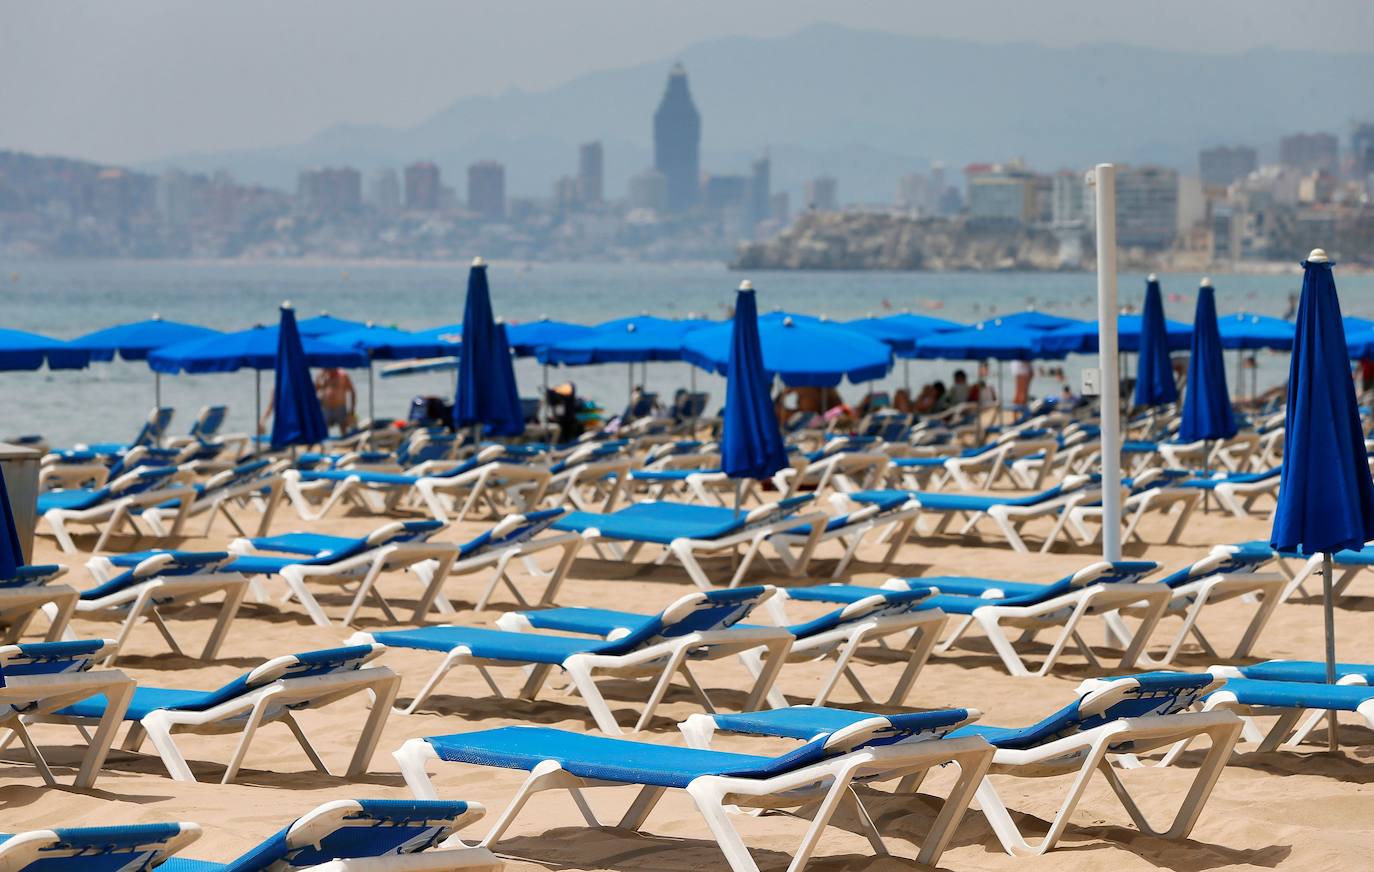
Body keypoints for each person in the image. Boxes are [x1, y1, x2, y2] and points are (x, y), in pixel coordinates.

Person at [315, 367, 357, 436]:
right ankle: (326, 445)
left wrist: (352, 410)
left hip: (340, 407)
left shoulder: (343, 375)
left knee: (343, 431)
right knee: (323, 431)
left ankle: (344, 444)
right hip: (326, 408)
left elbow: (352, 392)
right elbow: (315, 390)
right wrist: (320, 375)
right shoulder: (323, 376)